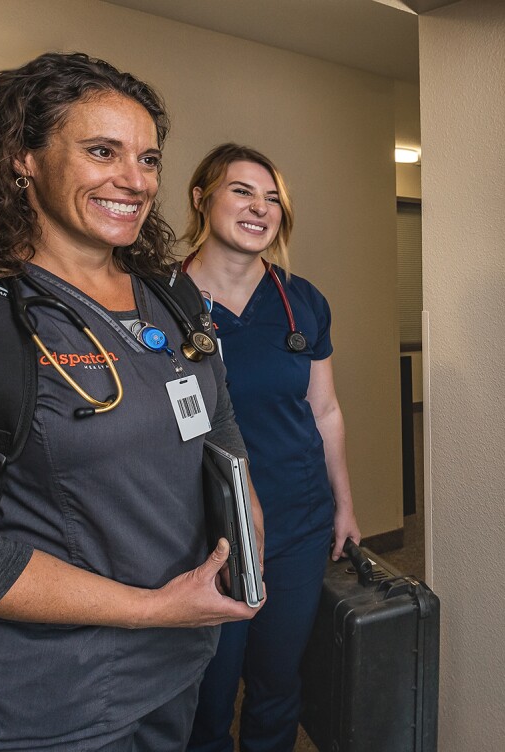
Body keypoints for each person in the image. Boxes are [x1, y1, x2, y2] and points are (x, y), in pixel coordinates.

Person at [0, 53, 261, 751]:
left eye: (147, 158)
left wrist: (246, 539)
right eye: (102, 152)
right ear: (23, 158)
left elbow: (220, 435)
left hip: (173, 671)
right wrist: (153, 609)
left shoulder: (173, 297)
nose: (134, 181)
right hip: (37, 704)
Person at [180, 143, 362, 752]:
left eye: (273, 198)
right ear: (201, 199)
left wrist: (345, 504)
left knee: (278, 683)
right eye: (242, 191)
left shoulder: (301, 300)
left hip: (297, 522)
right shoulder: (157, 301)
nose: (260, 208)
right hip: (201, 531)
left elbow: (326, 410)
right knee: (206, 693)